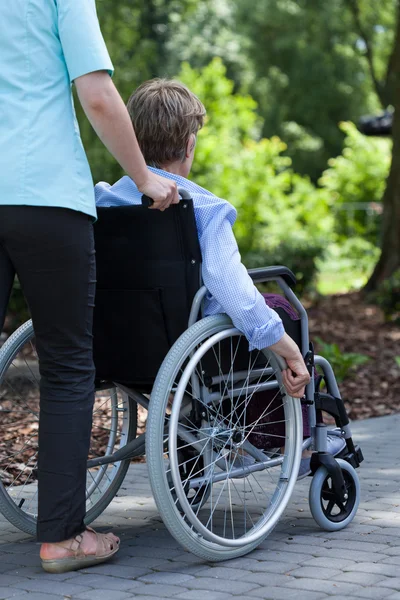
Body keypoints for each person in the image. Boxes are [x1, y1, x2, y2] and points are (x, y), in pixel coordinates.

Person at [0, 1, 178, 574]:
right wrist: (146, 179)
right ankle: (61, 538)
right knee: (68, 365)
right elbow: (97, 93)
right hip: (46, 193)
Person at [95, 79, 346, 477]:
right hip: (194, 351)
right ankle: (285, 440)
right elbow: (236, 294)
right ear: (190, 146)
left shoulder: (103, 201)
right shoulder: (203, 211)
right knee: (280, 310)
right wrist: (290, 351)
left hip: (115, 346)